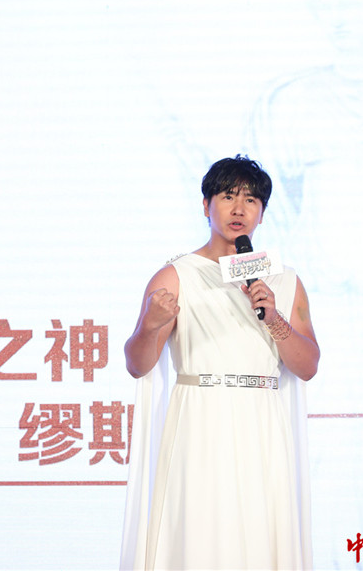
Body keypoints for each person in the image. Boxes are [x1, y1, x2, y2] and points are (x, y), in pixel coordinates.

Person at [119, 155, 319, 570]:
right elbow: (138, 365)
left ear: (262, 212)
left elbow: (308, 366)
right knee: (202, 535)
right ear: (205, 205)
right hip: (201, 421)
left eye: (251, 200)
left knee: (260, 536)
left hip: (261, 423)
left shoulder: (284, 279)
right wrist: (151, 325)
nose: (239, 209)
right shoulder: (176, 275)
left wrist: (274, 318)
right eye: (228, 197)